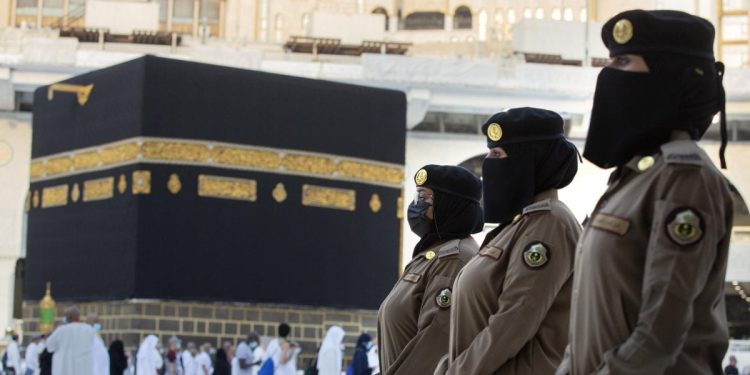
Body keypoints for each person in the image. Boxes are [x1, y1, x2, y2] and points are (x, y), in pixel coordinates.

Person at [556, 9, 732, 375]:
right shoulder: (634, 178)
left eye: (623, 62)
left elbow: (658, 334)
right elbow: (588, 326)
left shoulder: (685, 179)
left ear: (669, 78)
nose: (609, 76)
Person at [435, 107, 581, 375]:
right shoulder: (518, 225)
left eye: (498, 154)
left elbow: (513, 321)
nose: (489, 164)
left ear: (529, 161)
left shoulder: (549, 223)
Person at [378, 164, 483, 375]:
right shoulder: (431, 255)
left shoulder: (455, 259)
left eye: (423, 198)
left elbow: (433, 344)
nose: (415, 205)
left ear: (449, 205)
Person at [45, 306, 96, 375]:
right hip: (83, 369)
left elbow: (49, 346)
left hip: (64, 369)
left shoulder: (61, 330)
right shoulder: (89, 329)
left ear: (67, 317)